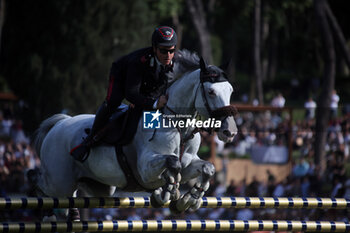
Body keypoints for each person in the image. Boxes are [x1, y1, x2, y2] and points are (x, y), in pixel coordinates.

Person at [70, 26, 177, 162]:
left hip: (148, 80)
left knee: (151, 107)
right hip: (122, 74)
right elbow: (131, 94)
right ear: (154, 48)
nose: (168, 56)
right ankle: (89, 140)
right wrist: (154, 103)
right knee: (113, 102)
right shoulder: (139, 62)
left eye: (171, 51)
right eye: (163, 51)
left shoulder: (175, 60)